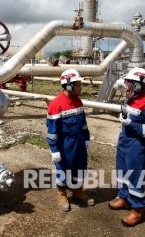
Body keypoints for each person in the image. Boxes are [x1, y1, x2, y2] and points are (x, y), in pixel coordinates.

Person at [109, 67, 145, 227]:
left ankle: (138, 209)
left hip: (138, 146)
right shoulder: (132, 99)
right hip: (125, 142)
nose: (125, 86)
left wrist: (131, 125)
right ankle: (124, 198)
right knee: (122, 172)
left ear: (138, 85)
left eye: (128, 83)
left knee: (135, 176)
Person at [46, 68, 94, 212]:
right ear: (68, 85)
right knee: (63, 170)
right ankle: (62, 194)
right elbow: (52, 132)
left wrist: (86, 138)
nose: (81, 87)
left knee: (79, 167)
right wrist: (54, 150)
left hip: (79, 143)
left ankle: (78, 191)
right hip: (64, 145)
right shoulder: (56, 105)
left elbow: (83, 123)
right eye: (78, 84)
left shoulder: (78, 101)